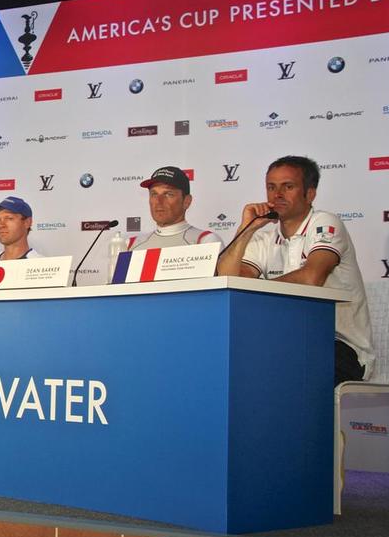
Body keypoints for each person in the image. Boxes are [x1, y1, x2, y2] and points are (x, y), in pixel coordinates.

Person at [216, 156, 374, 385]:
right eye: (271, 187)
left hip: (337, 345)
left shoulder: (325, 223)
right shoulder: (264, 237)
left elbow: (311, 278)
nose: (276, 194)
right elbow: (229, 281)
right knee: (232, 364)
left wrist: (255, 290)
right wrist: (246, 229)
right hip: (286, 339)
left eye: (287, 187)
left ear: (310, 194)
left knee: (278, 373)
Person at [128, 166, 222, 250]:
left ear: (186, 201)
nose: (159, 201)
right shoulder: (130, 245)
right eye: (154, 194)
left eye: (168, 194)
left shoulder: (205, 241)